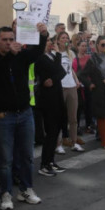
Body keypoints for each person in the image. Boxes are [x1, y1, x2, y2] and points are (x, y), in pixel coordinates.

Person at [0, 23, 48, 210]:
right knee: (6, 159)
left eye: (11, 39)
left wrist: (43, 35)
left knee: (27, 156)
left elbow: (37, 52)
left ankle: (26, 189)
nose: (8, 43)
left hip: (25, 113)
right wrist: (10, 54)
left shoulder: (21, 56)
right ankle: (5, 193)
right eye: (4, 40)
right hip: (4, 116)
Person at [33, 36, 67, 176]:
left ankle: (51, 161)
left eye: (51, 42)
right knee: (51, 131)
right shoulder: (41, 58)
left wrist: (53, 79)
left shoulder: (50, 57)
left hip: (57, 95)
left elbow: (62, 72)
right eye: (48, 42)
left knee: (56, 129)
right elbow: (58, 71)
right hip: (47, 99)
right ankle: (44, 164)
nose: (51, 44)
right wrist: (58, 54)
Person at [55, 32, 84, 153]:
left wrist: (76, 80)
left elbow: (70, 68)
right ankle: (58, 144)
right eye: (63, 38)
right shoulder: (54, 53)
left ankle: (74, 142)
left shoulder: (70, 53)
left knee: (73, 117)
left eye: (67, 38)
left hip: (71, 86)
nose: (65, 40)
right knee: (59, 117)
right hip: (60, 87)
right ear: (58, 40)